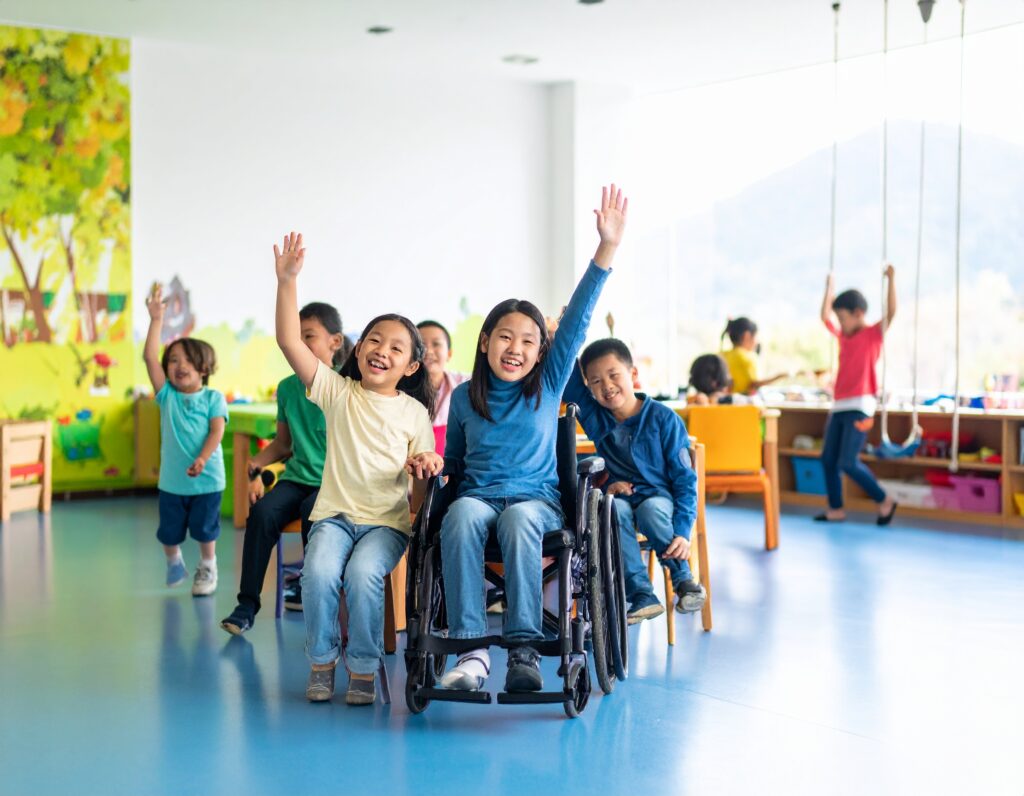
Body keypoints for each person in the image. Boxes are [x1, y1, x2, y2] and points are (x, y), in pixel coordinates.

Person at [439, 184, 628, 694]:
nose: (516, 348)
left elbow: (578, 320)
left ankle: (523, 648)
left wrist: (605, 248)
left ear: (541, 352)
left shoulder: (545, 387)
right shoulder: (462, 399)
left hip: (535, 501)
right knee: (458, 512)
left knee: (520, 517)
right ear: (485, 342)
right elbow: (453, 465)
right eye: (505, 337)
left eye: (528, 341)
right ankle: (470, 650)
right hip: (477, 498)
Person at [273, 232, 441, 706]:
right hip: (335, 517)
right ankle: (322, 662)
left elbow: (424, 471)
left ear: (409, 366)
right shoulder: (337, 392)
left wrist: (427, 464)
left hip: (387, 524)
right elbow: (289, 339)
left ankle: (363, 667)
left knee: (365, 576)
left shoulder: (413, 412)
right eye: (374, 339)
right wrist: (288, 281)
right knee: (319, 572)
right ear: (357, 347)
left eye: (395, 347)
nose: (381, 350)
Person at [220, 302, 345, 634]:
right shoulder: (288, 388)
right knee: (261, 515)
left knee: (311, 511)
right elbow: (283, 444)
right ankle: (246, 606)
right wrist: (257, 467)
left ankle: (313, 595)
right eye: (297, 337)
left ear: (335, 341)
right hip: (298, 477)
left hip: (334, 485)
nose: (301, 344)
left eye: (310, 336)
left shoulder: (345, 385)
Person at [564, 338, 704, 623]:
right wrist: (562, 336)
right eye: (596, 381)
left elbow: (685, 481)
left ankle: (683, 578)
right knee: (612, 509)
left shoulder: (665, 419)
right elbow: (568, 379)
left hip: (660, 501)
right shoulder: (596, 418)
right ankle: (642, 595)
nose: (607, 386)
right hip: (622, 500)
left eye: (614, 375)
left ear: (633, 374)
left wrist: (682, 531)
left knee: (650, 510)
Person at [143, 284, 228, 596]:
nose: (177, 366)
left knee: (206, 530)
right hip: (172, 482)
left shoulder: (214, 398)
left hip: (207, 479)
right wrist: (156, 320)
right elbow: (149, 356)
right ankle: (174, 559)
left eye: (185, 360)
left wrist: (203, 458)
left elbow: (216, 431)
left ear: (203, 368)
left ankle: (208, 567)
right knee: (169, 532)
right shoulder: (167, 397)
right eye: (173, 360)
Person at [817, 267, 899, 525]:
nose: (840, 324)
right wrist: (829, 287)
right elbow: (824, 316)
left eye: (843, 318)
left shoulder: (872, 335)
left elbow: (892, 312)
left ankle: (884, 499)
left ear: (859, 314)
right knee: (828, 459)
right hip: (839, 405)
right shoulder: (844, 336)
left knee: (848, 462)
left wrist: (891, 280)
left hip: (861, 406)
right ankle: (836, 509)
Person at [416, 320, 469, 455]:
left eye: (436, 344)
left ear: (449, 354)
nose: (428, 351)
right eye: (421, 345)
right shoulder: (398, 390)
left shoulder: (465, 384)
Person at [720, 317, 787, 395]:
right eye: (756, 336)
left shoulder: (721, 355)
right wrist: (779, 377)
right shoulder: (746, 357)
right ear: (747, 335)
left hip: (725, 402)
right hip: (742, 403)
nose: (757, 341)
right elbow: (754, 384)